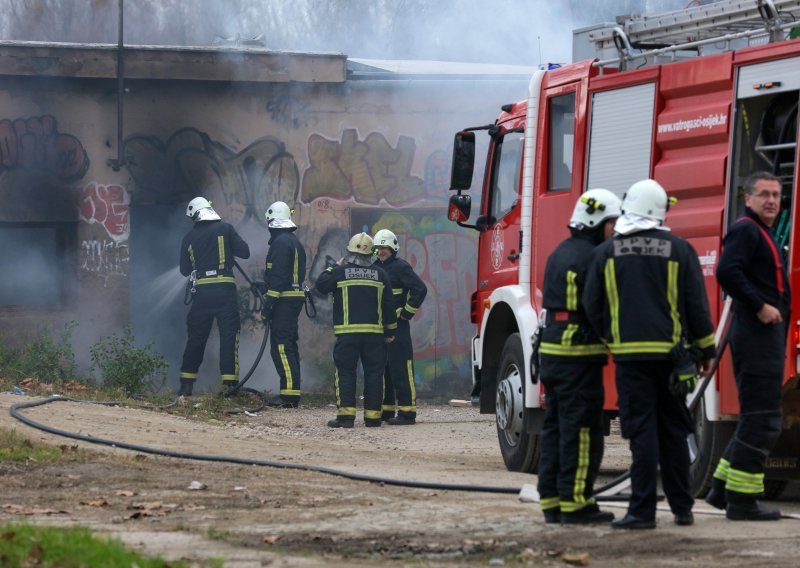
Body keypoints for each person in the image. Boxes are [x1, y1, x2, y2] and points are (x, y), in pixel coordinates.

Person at [583, 179, 716, 529]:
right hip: (673, 360)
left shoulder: (605, 253)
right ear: (660, 211)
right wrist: (706, 350)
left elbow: (591, 305)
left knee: (642, 435)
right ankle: (682, 509)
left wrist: (611, 337)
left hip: (629, 359)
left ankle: (641, 512)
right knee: (674, 432)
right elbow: (696, 307)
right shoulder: (680, 249)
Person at [706, 171, 790, 521]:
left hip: (762, 339)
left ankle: (721, 489)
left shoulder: (762, 232)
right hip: (756, 337)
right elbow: (727, 271)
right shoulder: (746, 230)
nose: (771, 201)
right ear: (748, 199)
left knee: (756, 418)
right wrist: (760, 305)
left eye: (776, 195)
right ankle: (743, 502)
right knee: (763, 420)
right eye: (764, 194)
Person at [537, 189, 621, 525]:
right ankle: (577, 503)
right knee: (583, 429)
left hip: (554, 355)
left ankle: (553, 500)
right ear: (597, 221)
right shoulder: (593, 257)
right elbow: (597, 307)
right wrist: (615, 338)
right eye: (612, 223)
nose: (615, 230)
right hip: (579, 358)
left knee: (556, 427)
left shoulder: (561, 251)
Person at [315, 232, 397, 428]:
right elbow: (388, 306)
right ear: (372, 253)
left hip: (348, 335)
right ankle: (372, 418)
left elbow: (320, 285)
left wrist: (334, 266)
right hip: (374, 337)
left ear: (350, 253)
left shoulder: (339, 272)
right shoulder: (381, 274)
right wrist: (390, 331)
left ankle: (345, 417)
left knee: (346, 373)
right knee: (375, 374)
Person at [177, 197, 250, 396]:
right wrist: (228, 250)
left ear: (196, 216)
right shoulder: (225, 229)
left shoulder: (189, 238)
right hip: (225, 291)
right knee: (228, 337)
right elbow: (245, 252)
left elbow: (185, 270)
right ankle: (229, 387)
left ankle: (186, 386)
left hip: (202, 294)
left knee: (196, 339)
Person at [372, 229, 427, 425]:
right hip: (381, 328)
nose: (381, 251)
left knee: (402, 368)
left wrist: (406, 312)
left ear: (393, 247)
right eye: (378, 248)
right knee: (384, 368)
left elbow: (420, 289)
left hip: (398, 327)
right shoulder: (375, 268)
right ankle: (387, 410)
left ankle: (407, 412)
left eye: (384, 247)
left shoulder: (401, 267)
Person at [260, 201, 307, 408]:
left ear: (273, 222)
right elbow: (286, 274)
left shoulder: (280, 243)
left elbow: (279, 277)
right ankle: (292, 391)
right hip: (291, 298)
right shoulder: (293, 241)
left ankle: (288, 395)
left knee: (280, 346)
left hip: (284, 301)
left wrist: (268, 304)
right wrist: (263, 285)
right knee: (288, 345)